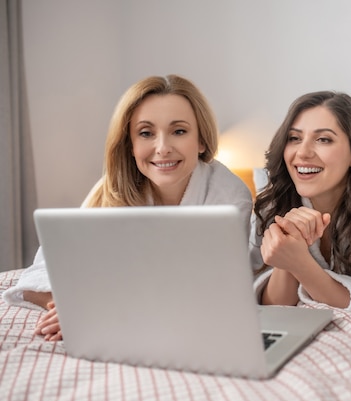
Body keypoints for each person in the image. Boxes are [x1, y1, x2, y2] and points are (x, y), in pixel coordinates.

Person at [2, 74, 253, 341]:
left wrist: (102, 310)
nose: (163, 148)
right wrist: (70, 307)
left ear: (201, 141)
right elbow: (42, 272)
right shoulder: (111, 189)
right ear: (130, 145)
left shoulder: (229, 198)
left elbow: (212, 294)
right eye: (146, 133)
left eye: (179, 131)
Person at [250, 91, 351, 317]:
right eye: (294, 138)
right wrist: (287, 251)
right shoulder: (272, 204)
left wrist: (300, 263)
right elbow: (270, 311)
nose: (303, 153)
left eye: (324, 139)